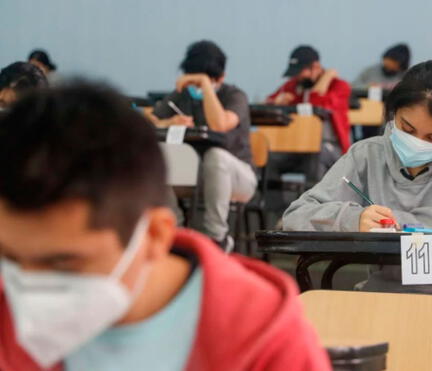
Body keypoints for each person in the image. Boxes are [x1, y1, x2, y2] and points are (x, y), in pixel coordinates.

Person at [0, 82, 331, 371]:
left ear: (155, 235)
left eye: (63, 263)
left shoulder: (263, 339)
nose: (27, 288)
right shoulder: (7, 309)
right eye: (8, 259)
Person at [283, 59, 432, 368]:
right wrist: (353, 219)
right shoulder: (369, 153)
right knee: (316, 336)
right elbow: (296, 216)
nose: (416, 142)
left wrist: (399, 220)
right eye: (407, 128)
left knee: (415, 340)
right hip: (386, 299)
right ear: (393, 114)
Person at [148, 40, 256, 250]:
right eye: (194, 82)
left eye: (201, 82)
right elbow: (150, 121)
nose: (195, 87)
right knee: (155, 157)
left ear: (221, 78)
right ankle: (175, 230)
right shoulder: (183, 94)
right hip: (195, 175)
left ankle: (217, 238)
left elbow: (220, 124)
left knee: (215, 156)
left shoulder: (235, 96)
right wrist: (168, 122)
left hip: (238, 177)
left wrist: (206, 87)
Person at [266, 45, 351, 179]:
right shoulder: (294, 84)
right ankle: (275, 199)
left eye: (301, 71)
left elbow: (316, 105)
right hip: (298, 147)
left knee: (316, 153)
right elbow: (269, 101)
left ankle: (314, 200)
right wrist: (277, 101)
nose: (298, 77)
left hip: (331, 148)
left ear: (316, 67)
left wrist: (325, 79)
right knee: (268, 157)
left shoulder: (339, 87)